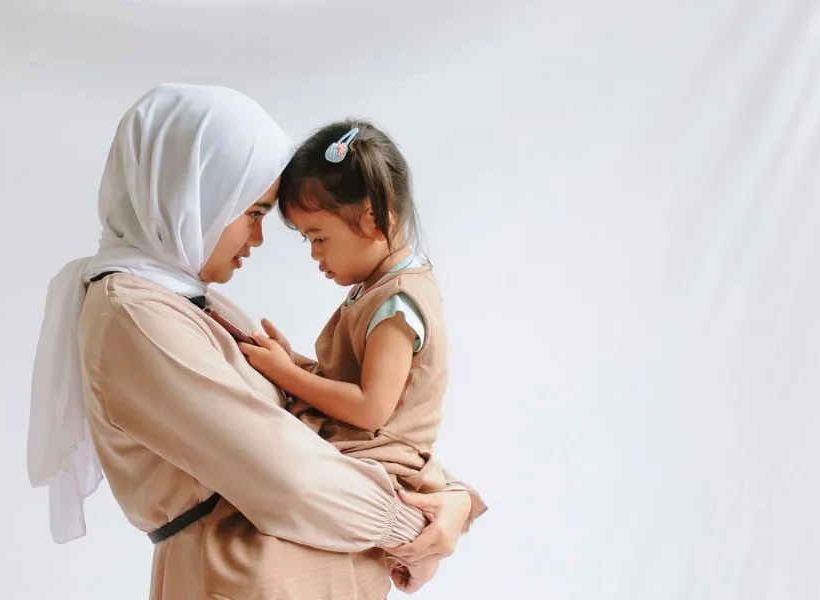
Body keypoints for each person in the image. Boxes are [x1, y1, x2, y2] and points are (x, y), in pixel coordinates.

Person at [27, 83, 483, 599]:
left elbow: (330, 421)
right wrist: (419, 530)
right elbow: (288, 473)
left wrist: (451, 498)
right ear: (196, 194)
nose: (259, 239)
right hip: (249, 578)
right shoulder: (134, 315)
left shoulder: (190, 302)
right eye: (253, 213)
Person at [240, 120, 487, 591]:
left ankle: (412, 542)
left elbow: (371, 408)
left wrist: (287, 375)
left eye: (319, 238)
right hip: (365, 447)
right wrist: (292, 363)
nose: (314, 254)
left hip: (383, 460)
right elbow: (348, 379)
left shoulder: (398, 304)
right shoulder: (378, 287)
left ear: (373, 219)